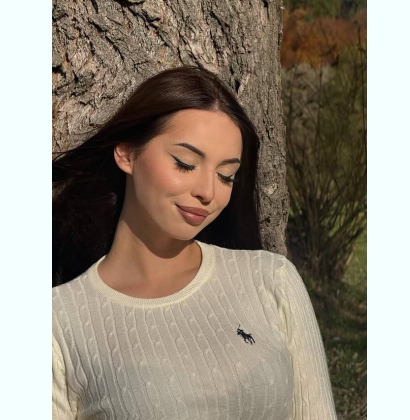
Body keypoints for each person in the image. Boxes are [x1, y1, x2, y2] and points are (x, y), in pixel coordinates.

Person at [53, 66, 337, 420]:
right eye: (185, 164)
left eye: (226, 175)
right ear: (126, 153)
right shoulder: (59, 322)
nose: (207, 192)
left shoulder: (270, 280)